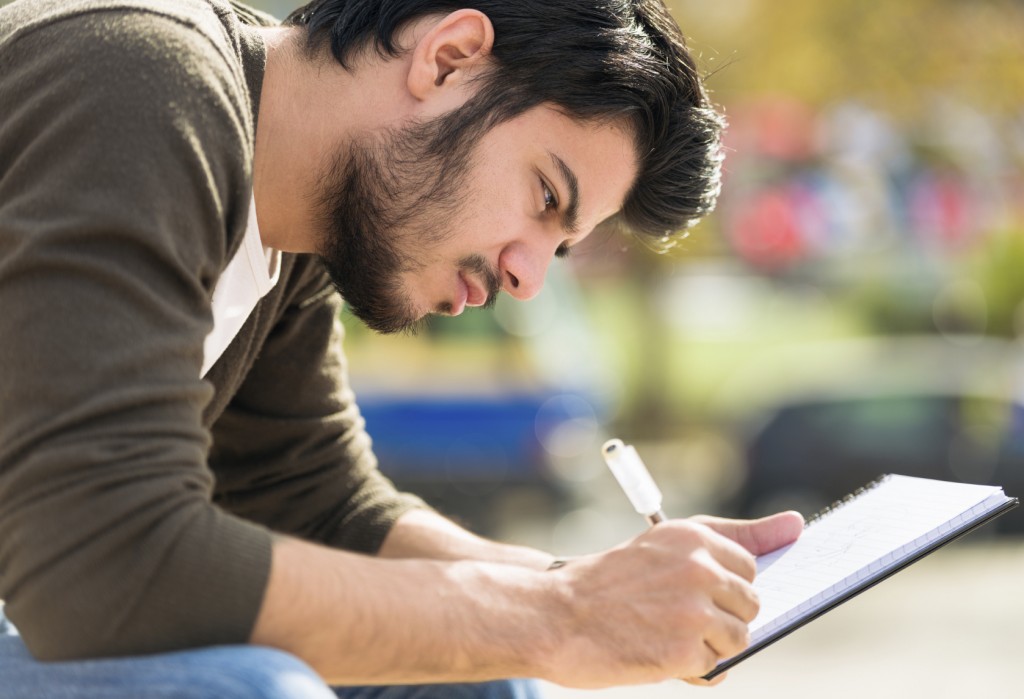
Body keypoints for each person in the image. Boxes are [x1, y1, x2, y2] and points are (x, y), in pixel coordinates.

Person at [0, 0, 804, 696]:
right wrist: (563, 620)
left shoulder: (295, 219)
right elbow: (101, 556)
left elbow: (320, 505)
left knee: (476, 670)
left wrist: (596, 591)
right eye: (545, 196)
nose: (527, 277)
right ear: (449, 59)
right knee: (249, 692)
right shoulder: (146, 83)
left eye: (557, 247)